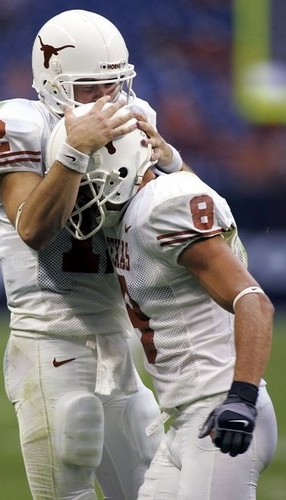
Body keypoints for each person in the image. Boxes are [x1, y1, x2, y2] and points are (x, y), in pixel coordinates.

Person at [0, 9, 189, 500]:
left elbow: (182, 216)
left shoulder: (136, 118)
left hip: (116, 338)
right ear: (51, 81)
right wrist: (73, 154)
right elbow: (35, 230)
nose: (105, 101)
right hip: (49, 336)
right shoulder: (16, 124)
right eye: (89, 88)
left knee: (157, 485)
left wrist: (170, 164)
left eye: (115, 86)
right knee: (69, 481)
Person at [48, 103, 278, 499]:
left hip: (220, 410)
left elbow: (254, 301)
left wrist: (241, 398)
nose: (77, 192)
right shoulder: (139, 209)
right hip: (185, 417)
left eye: (83, 176)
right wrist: (172, 159)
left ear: (116, 165)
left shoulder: (163, 205)